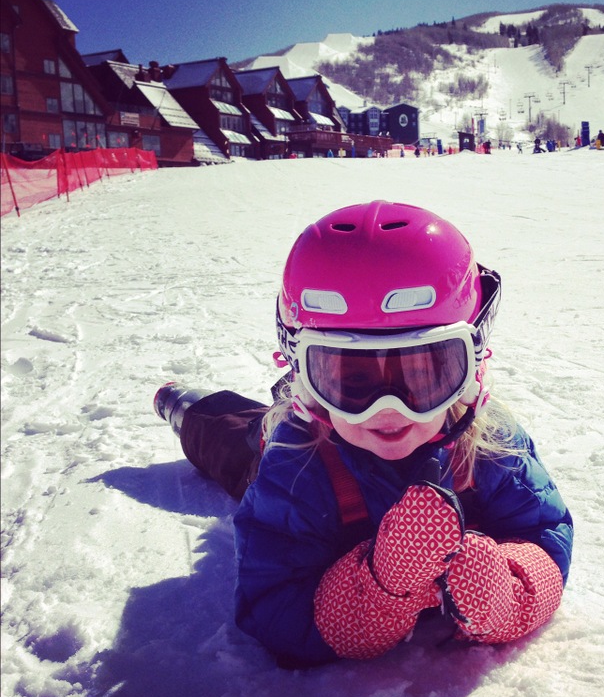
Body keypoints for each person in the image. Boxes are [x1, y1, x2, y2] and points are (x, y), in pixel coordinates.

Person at [154, 201, 573, 668]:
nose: (387, 411)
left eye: (422, 376)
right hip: (305, 442)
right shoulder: (296, 464)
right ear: (299, 370)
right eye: (348, 381)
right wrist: (380, 584)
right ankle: (185, 407)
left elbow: (545, 536)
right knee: (233, 443)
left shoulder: (489, 445)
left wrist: (506, 590)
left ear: (472, 364)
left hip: (328, 430)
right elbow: (273, 604)